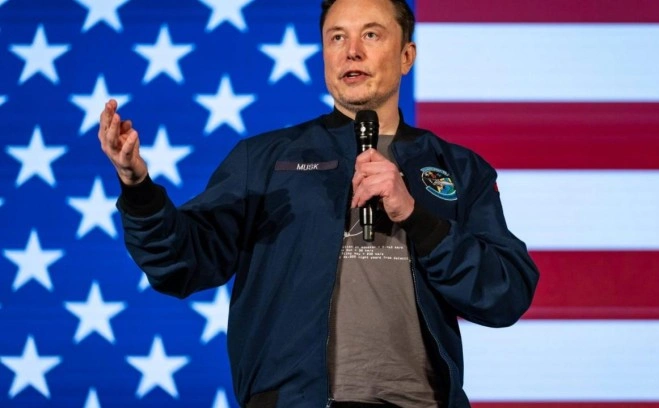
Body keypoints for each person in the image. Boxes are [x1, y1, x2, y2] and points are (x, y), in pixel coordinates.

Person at [98, 0, 539, 406]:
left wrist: (416, 217)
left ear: (407, 56)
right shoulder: (264, 160)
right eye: (336, 37)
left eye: (371, 35)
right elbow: (180, 263)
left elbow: (505, 295)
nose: (352, 51)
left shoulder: (458, 169)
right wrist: (138, 187)